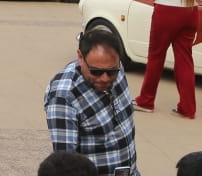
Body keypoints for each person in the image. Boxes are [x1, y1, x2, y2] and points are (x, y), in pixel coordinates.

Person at [43, 26, 137, 176]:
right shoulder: (63, 97)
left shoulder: (117, 69)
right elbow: (66, 166)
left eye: (112, 71)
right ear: (80, 57)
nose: (105, 78)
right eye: (96, 71)